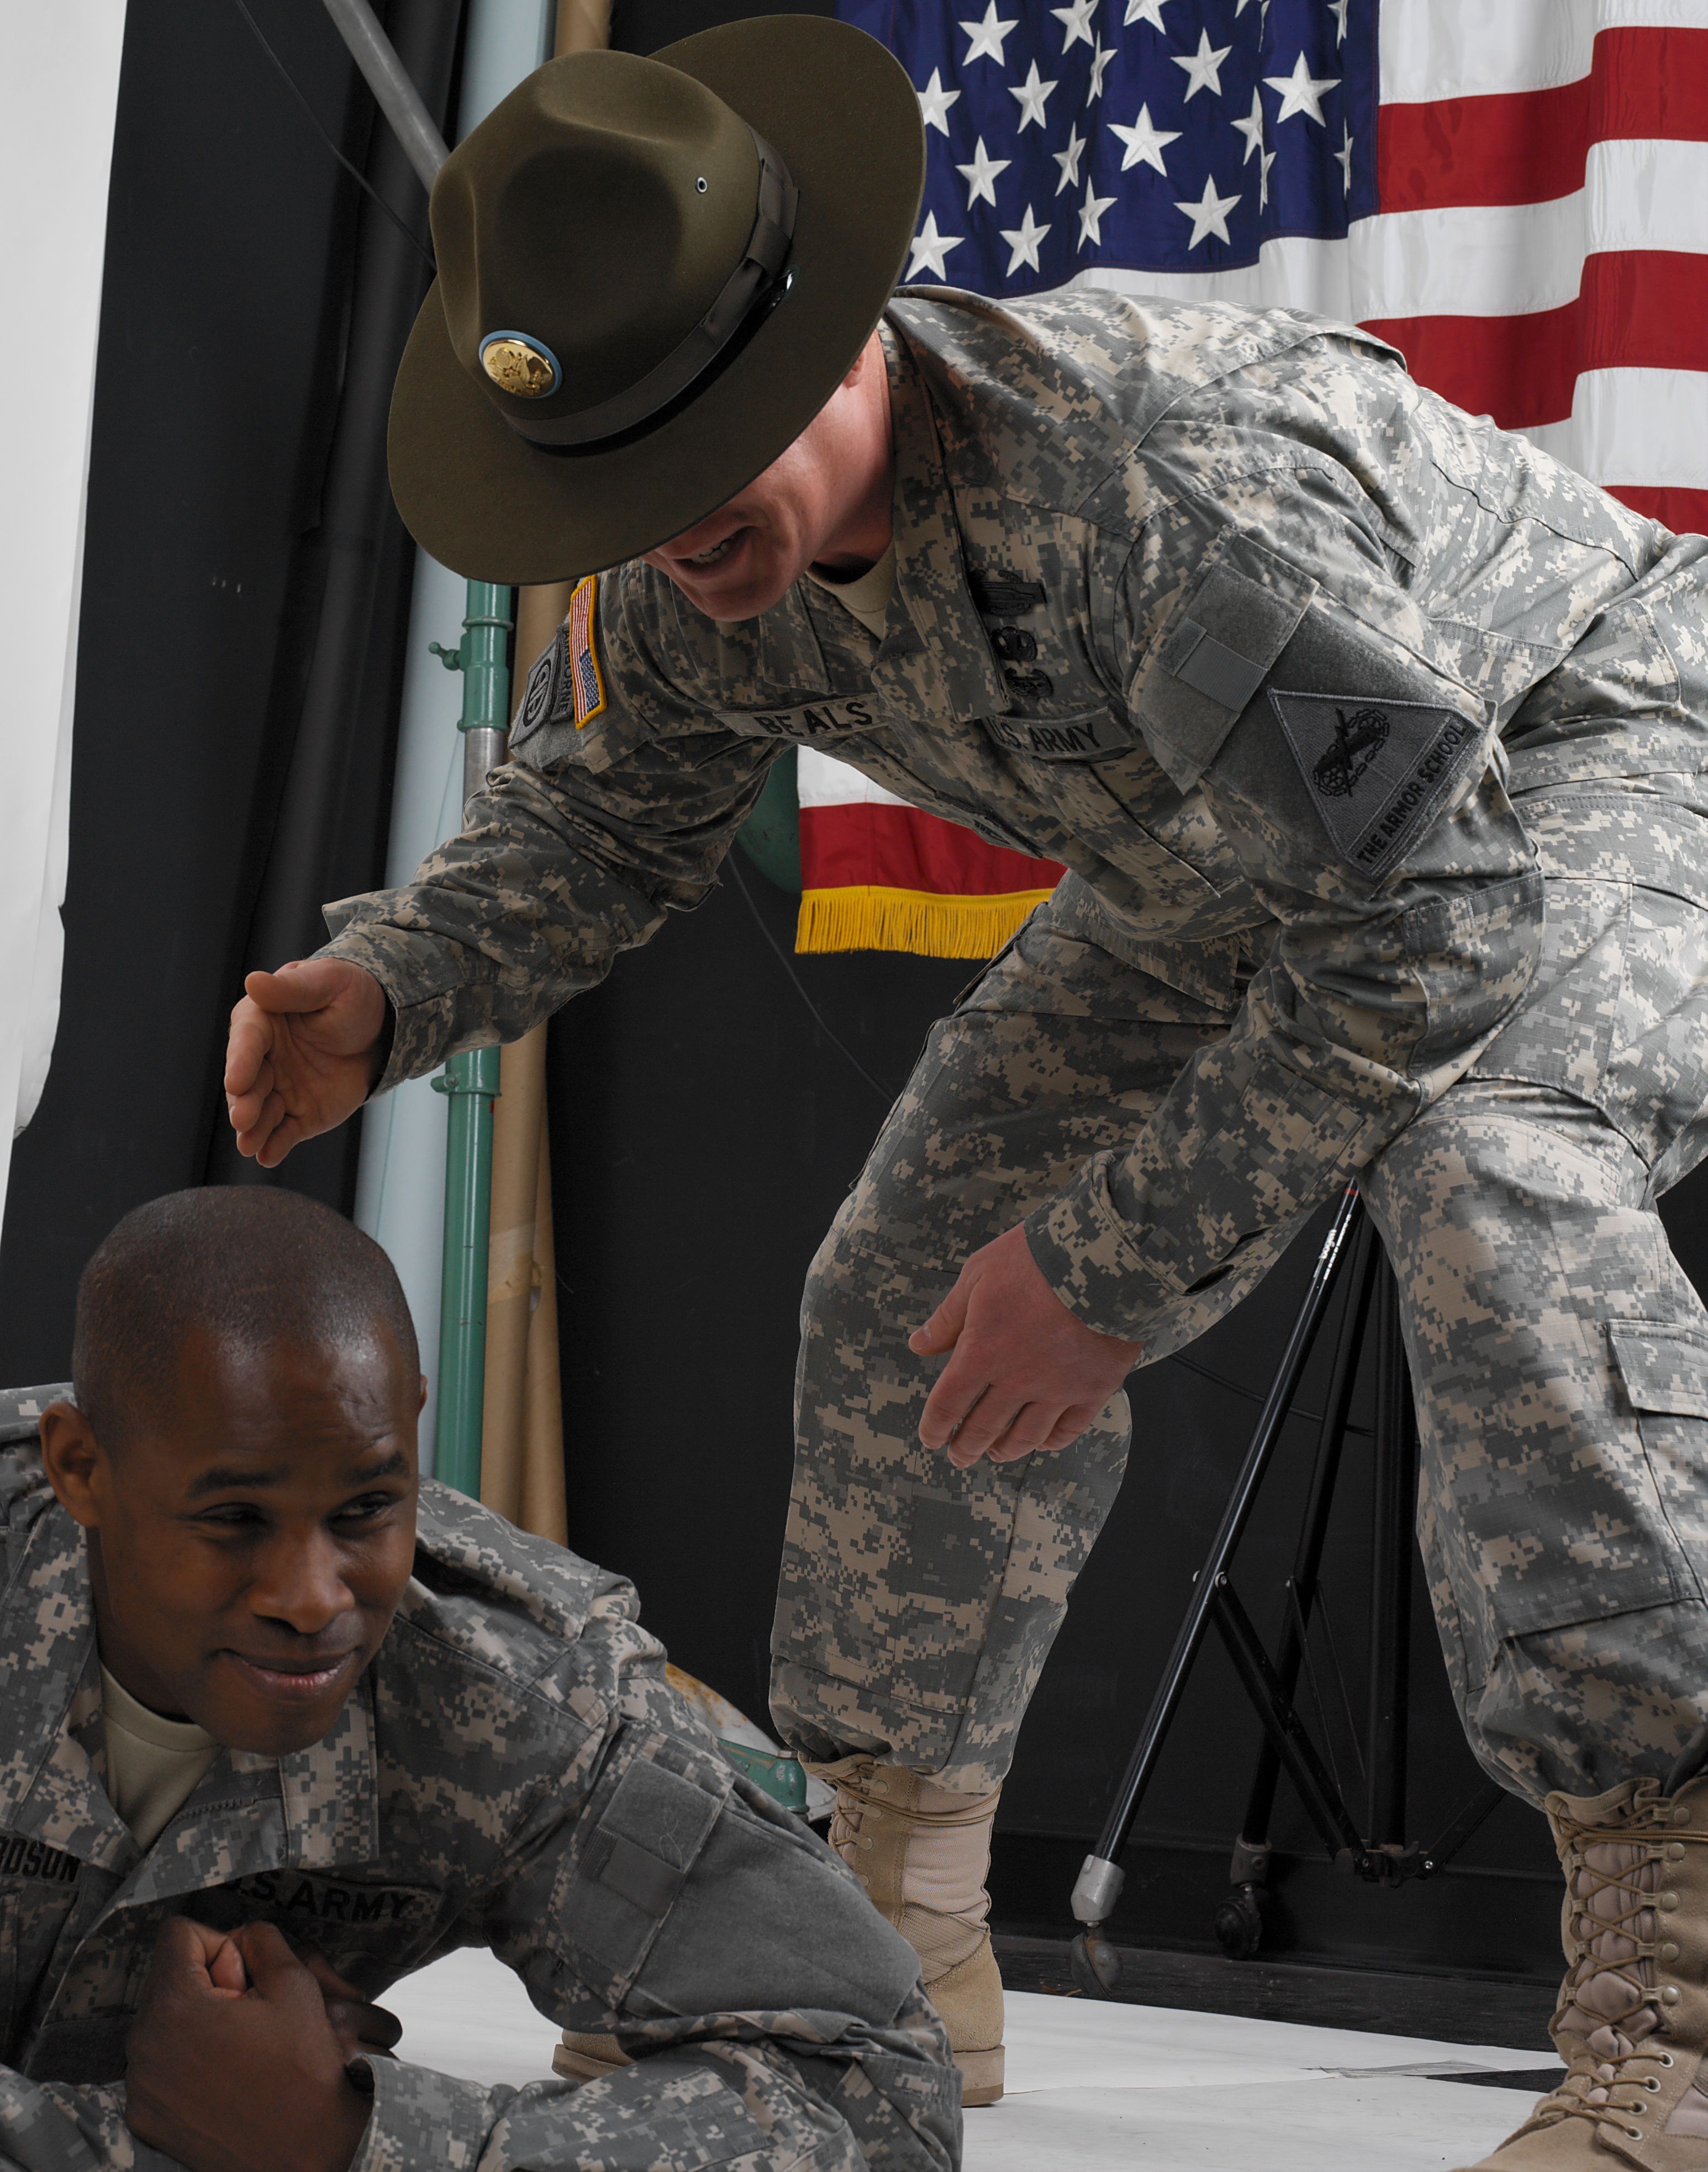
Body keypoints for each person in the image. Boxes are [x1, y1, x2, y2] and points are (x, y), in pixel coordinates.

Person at [222, 17, 1708, 2158]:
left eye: (683, 456)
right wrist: (389, 982)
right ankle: (872, 1947)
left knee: (1489, 1169)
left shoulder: (1165, 487)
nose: (652, 530)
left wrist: (1109, 1267)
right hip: (1234, 850)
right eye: (610, 482)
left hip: (1587, 749)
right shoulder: (682, 544)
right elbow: (605, 815)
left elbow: (1435, 925)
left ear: (830, 358)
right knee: (907, 1269)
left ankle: (1673, 2033)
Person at [0, 1188, 958, 2172]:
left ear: (414, 1427)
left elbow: (885, 2094)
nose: (310, 1598)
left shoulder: (518, 1701)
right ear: (81, 1470)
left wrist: (357, 2139)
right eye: (234, 1518)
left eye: (366, 1507)